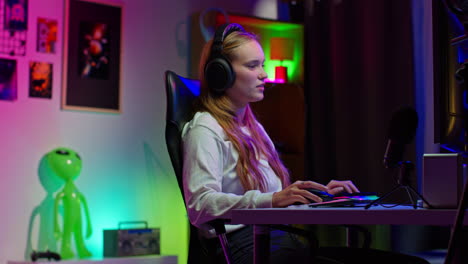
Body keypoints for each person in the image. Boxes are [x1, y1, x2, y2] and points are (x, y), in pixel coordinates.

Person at [182, 23, 429, 264]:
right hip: (245, 247)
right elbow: (200, 205)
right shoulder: (205, 129)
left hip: (277, 240)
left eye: (263, 65)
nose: (264, 74)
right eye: (252, 66)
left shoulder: (251, 126)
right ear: (220, 73)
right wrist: (273, 200)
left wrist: (317, 195)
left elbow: (272, 196)